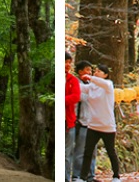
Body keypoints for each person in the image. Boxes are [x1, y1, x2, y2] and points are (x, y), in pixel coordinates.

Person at [76, 64, 121, 182]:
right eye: (95, 71)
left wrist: (90, 78)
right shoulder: (91, 87)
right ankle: (83, 177)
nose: (96, 72)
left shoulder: (108, 85)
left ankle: (116, 176)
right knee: (88, 152)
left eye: (99, 71)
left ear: (105, 75)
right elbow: (79, 88)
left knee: (111, 151)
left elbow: (102, 83)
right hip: (93, 126)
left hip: (107, 126)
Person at [72, 61, 97, 182]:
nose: (90, 72)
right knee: (80, 151)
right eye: (87, 70)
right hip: (81, 122)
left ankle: (90, 176)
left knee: (92, 152)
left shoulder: (92, 84)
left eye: (91, 70)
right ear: (80, 71)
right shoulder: (76, 83)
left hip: (93, 124)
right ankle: (76, 176)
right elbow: (81, 97)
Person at [65, 53, 81, 182]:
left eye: (70, 62)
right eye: (65, 61)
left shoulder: (73, 80)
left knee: (67, 153)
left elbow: (76, 96)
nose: (68, 65)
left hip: (69, 121)